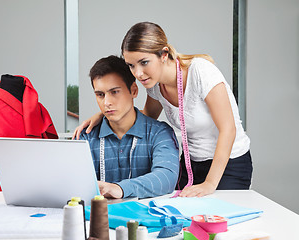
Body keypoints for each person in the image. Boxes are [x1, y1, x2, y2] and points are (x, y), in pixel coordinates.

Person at [74, 22, 252, 198]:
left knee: (219, 220)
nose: (138, 73)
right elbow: (142, 120)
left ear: (164, 54)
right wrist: (106, 114)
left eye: (144, 62)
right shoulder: (155, 86)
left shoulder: (200, 72)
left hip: (228, 163)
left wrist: (209, 184)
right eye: (131, 65)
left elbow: (228, 129)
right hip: (192, 162)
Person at [79, 55, 179, 199]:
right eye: (100, 95)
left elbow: (166, 177)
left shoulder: (160, 133)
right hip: (97, 219)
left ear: (133, 91)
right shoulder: (86, 136)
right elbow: (73, 181)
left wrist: (120, 189)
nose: (107, 102)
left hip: (146, 219)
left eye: (114, 92)